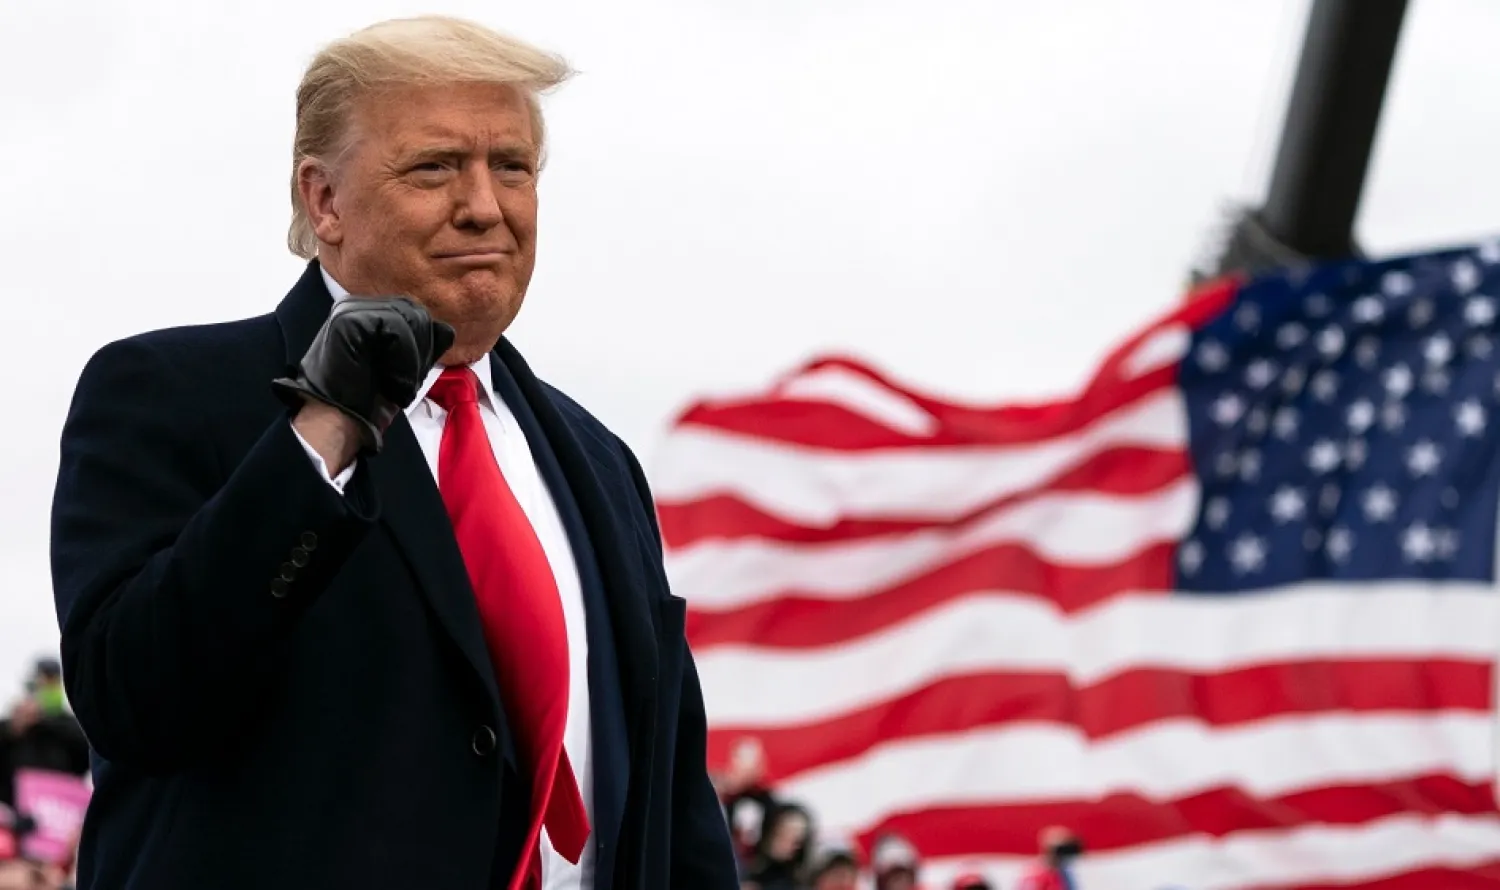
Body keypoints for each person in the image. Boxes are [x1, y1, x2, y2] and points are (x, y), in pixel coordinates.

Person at [48, 15, 737, 890]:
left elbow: (669, 799)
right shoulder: (168, 393)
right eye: (434, 166)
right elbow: (133, 701)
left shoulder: (600, 462)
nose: (484, 204)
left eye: (512, 167)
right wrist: (323, 427)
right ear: (323, 199)